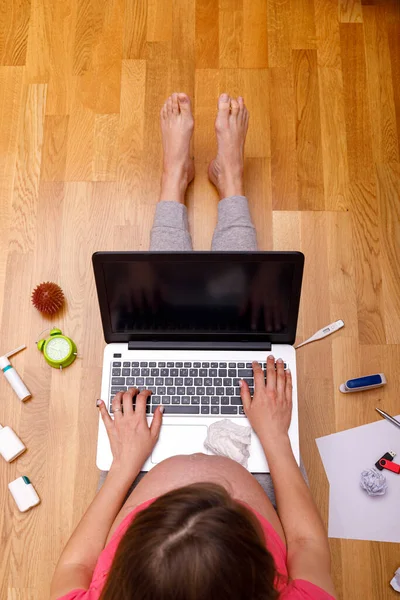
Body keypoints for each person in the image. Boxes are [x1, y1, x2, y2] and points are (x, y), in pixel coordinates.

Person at [51, 93, 336, 600]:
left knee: (158, 328)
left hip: (136, 467)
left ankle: (172, 183)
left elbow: (73, 565)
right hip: (253, 456)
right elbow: (309, 540)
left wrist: (123, 468)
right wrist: (274, 437)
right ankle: (232, 187)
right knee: (241, 328)